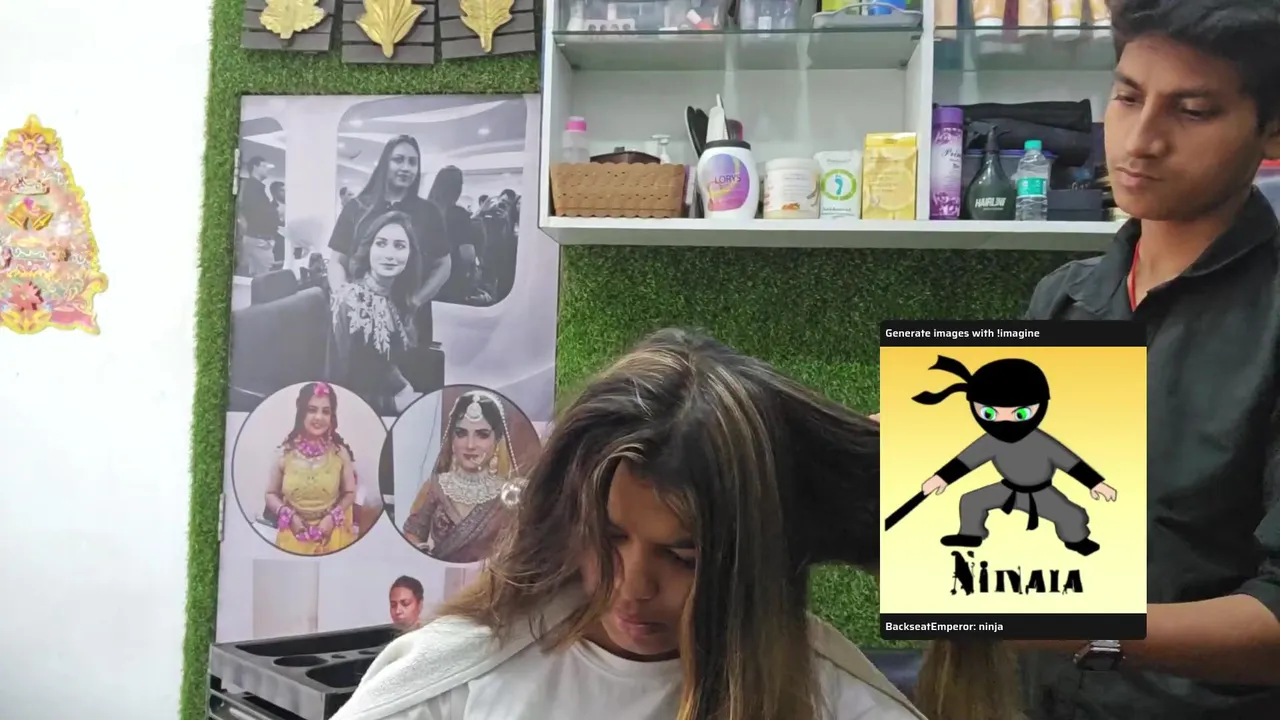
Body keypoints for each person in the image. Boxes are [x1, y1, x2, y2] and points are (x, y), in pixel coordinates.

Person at [333, 328, 1017, 720]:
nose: (633, 587)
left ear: (755, 560)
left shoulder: (835, 702)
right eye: (610, 537)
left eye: (685, 557)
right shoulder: (449, 688)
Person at [1005, 1, 1280, 717]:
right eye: (1128, 98)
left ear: (1272, 129)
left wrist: (1081, 629)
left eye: (1192, 111)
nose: (1141, 140)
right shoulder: (1064, 297)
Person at [327, 136, 452, 356]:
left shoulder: (428, 212)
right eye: (398, 160)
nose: (406, 168)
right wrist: (346, 299)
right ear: (386, 163)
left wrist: (416, 301)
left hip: (410, 317)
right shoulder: (357, 208)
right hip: (361, 317)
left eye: (412, 162)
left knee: (411, 373)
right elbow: (337, 261)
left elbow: (444, 265)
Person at [401, 390, 522, 564]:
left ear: (497, 439)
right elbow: (412, 532)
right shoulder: (436, 486)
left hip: (488, 577)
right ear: (452, 439)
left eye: (482, 434)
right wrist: (425, 557)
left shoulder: (508, 494)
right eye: (461, 433)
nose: (470, 445)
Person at [327, 211, 423, 415]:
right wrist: (391, 404)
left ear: (410, 255)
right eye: (381, 244)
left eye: (399, 246)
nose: (389, 255)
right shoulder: (349, 303)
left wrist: (403, 386)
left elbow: (382, 364)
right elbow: (336, 387)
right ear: (368, 249)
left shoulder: (396, 300)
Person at [264, 382, 360, 555]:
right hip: (293, 536)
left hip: (332, 537)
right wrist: (290, 517)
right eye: (312, 410)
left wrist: (331, 518)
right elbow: (270, 494)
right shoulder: (283, 453)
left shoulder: (340, 453)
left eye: (326, 411)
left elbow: (350, 493)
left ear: (332, 416)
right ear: (301, 413)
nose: (319, 417)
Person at [236, 156, 279, 276]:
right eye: (264, 166)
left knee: (256, 277)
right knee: (267, 277)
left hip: (257, 239)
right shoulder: (252, 187)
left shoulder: (255, 187)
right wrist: (275, 212)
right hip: (259, 241)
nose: (267, 169)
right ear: (255, 167)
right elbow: (258, 213)